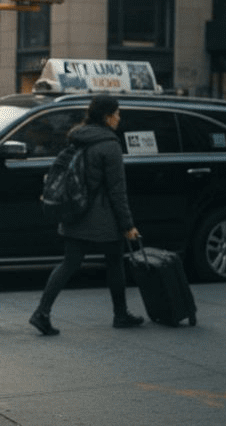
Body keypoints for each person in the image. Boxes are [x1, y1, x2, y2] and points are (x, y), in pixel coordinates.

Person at [29, 95, 143, 336]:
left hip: (74, 209)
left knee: (69, 263)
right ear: (107, 116)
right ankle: (121, 314)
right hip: (102, 215)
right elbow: (117, 190)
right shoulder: (109, 145)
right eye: (117, 113)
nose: (119, 118)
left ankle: (42, 312)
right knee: (114, 262)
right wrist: (128, 225)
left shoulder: (79, 137)